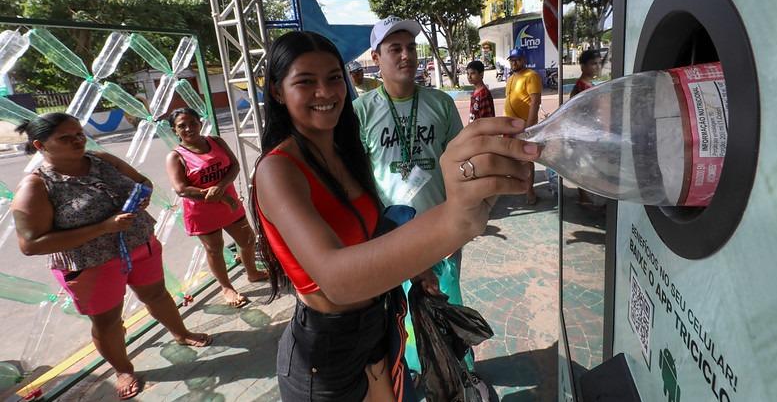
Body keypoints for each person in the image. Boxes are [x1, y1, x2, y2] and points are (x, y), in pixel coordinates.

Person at [251, 30, 538, 401]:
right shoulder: (277, 170)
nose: (325, 92)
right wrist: (455, 220)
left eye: (334, 78)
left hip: (379, 332)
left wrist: (416, 268)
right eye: (306, 82)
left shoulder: (343, 154)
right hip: (326, 353)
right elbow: (336, 279)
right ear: (277, 91)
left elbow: (371, 229)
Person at [11, 113, 211, 400]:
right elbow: (31, 244)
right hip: (92, 264)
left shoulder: (103, 160)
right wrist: (103, 228)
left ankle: (181, 332)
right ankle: (123, 368)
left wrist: (143, 195)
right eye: (65, 138)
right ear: (41, 145)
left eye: (79, 134)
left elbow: (142, 181)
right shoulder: (37, 186)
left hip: (140, 244)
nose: (77, 141)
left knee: (157, 294)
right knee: (107, 322)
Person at [354, 16, 474, 377]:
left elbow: (461, 165)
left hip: (442, 231)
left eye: (410, 47)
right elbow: (359, 181)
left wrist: (462, 219)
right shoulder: (361, 112)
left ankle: (460, 372)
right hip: (394, 235)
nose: (406, 55)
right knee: (405, 309)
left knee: (448, 301)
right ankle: (421, 373)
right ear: (377, 57)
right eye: (395, 49)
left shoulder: (440, 103)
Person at [166, 108, 267, 308]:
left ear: (200, 123)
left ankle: (252, 272)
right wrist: (216, 196)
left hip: (229, 203)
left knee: (247, 240)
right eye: (181, 126)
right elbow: (181, 189)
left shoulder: (216, 142)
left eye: (192, 123)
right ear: (174, 130)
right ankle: (226, 287)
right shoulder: (176, 157)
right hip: (202, 211)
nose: (188, 128)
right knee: (214, 249)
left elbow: (234, 166)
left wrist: (220, 189)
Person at [504, 47, 543, 204]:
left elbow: (535, 102)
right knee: (512, 158)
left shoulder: (531, 76)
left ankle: (530, 192)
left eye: (517, 59)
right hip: (510, 125)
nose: (514, 62)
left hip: (524, 127)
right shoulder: (511, 78)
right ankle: (519, 187)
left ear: (524, 60)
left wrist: (529, 126)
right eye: (512, 60)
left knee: (526, 159)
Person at [569, 49, 604, 207]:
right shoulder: (582, 87)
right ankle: (585, 196)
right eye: (593, 63)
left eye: (598, 63)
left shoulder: (589, 86)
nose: (597, 67)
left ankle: (587, 195)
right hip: (584, 133)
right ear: (583, 66)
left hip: (590, 132)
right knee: (586, 165)